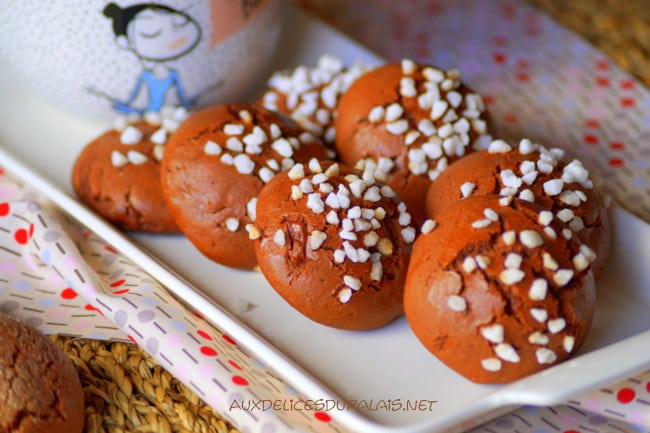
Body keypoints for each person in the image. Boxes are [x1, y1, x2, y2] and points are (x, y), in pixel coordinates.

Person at [98, 2, 202, 114]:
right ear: (125, 42)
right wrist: (123, 104)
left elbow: (182, 96)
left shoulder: (172, 74)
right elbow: (134, 97)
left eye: (180, 24)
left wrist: (190, 102)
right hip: (147, 115)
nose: (171, 37)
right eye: (151, 33)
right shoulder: (146, 76)